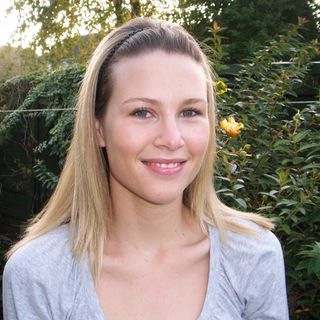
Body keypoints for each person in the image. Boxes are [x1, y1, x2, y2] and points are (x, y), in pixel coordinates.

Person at [2, 17, 289, 320]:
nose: (172, 138)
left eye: (190, 111)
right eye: (142, 112)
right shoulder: (38, 276)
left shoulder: (254, 257)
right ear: (98, 128)